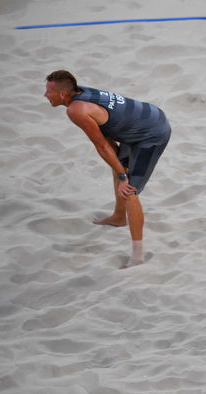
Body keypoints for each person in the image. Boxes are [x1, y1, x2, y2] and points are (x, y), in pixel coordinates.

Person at [44, 70, 171, 268]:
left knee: (130, 191)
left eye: (48, 92)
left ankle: (137, 256)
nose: (45, 95)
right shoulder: (80, 92)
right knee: (117, 167)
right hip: (146, 117)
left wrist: (123, 176)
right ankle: (119, 217)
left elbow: (102, 145)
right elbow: (108, 138)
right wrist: (120, 170)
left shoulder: (76, 111)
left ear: (62, 95)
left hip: (151, 134)